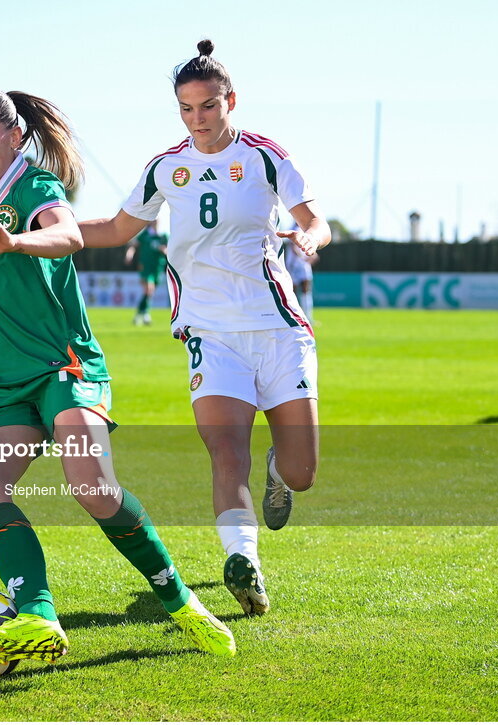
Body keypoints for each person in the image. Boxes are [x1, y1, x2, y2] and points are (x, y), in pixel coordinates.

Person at [0, 88, 235, 664]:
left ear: (13, 136)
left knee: (91, 486)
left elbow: (69, 234)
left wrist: (15, 241)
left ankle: (182, 603)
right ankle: (37, 615)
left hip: (64, 367)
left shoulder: (34, 186)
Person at [79, 40, 331, 616]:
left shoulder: (267, 156)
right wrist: (42, 234)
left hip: (278, 330)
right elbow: (118, 228)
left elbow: (314, 220)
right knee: (225, 451)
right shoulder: (165, 168)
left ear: (230, 101)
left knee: (302, 471)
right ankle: (245, 561)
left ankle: (279, 473)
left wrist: (312, 237)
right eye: (187, 109)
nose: (198, 120)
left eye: (209, 107)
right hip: (209, 334)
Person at [124, 218, 168, 325]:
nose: (155, 221)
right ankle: (146, 314)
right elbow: (133, 246)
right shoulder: (145, 235)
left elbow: (168, 251)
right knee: (149, 289)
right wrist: (129, 255)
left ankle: (139, 314)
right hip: (145, 267)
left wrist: (163, 250)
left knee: (149, 292)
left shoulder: (163, 236)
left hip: (157, 267)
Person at [283, 235, 317, 322]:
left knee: (306, 291)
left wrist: (313, 255)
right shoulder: (294, 229)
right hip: (293, 266)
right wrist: (303, 257)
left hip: (304, 266)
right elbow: (294, 247)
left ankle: (308, 317)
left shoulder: (306, 230)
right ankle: (293, 317)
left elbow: (311, 246)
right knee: (291, 292)